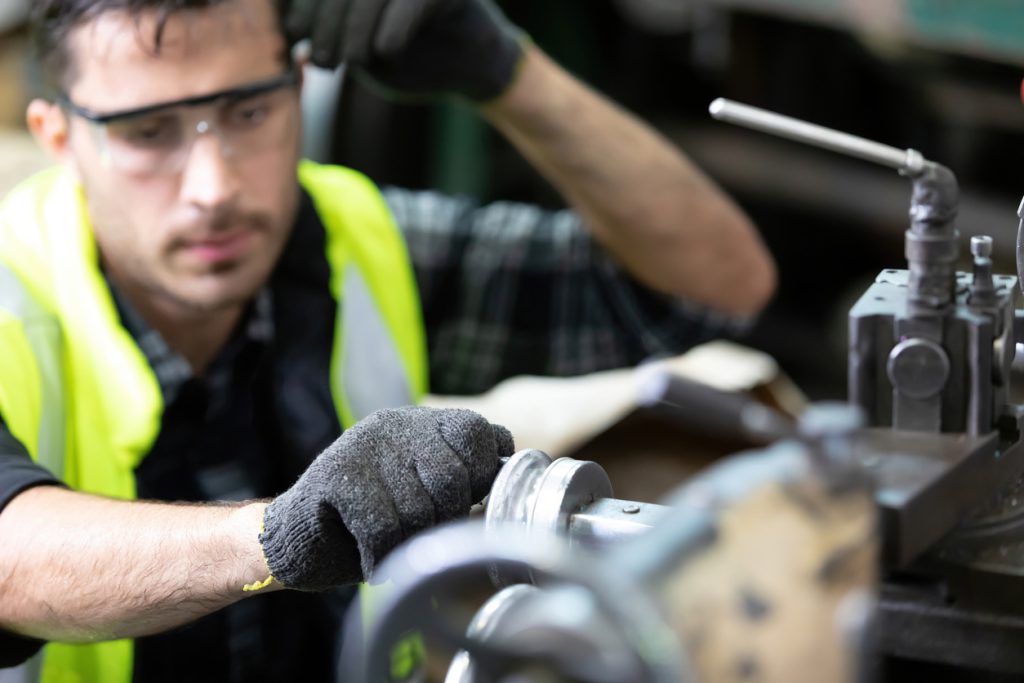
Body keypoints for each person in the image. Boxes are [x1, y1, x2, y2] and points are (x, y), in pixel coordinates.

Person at [0, 0, 777, 680]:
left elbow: (715, 287)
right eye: (147, 132)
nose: (214, 187)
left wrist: (504, 72)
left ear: (300, 89)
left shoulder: (358, 242)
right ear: (59, 135)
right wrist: (280, 537)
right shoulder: (12, 300)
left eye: (248, 112)